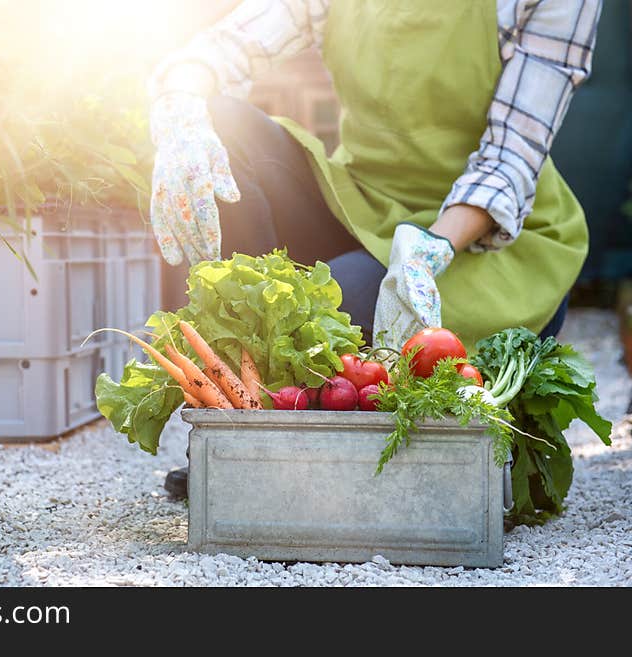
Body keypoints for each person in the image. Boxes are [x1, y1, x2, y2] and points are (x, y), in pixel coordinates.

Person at [148, 0, 601, 498]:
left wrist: (430, 251)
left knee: (336, 305)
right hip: (361, 207)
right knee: (221, 122)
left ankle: (283, 448)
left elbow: (510, 158)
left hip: (481, 239)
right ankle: (236, 433)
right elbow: (231, 43)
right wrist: (180, 106)